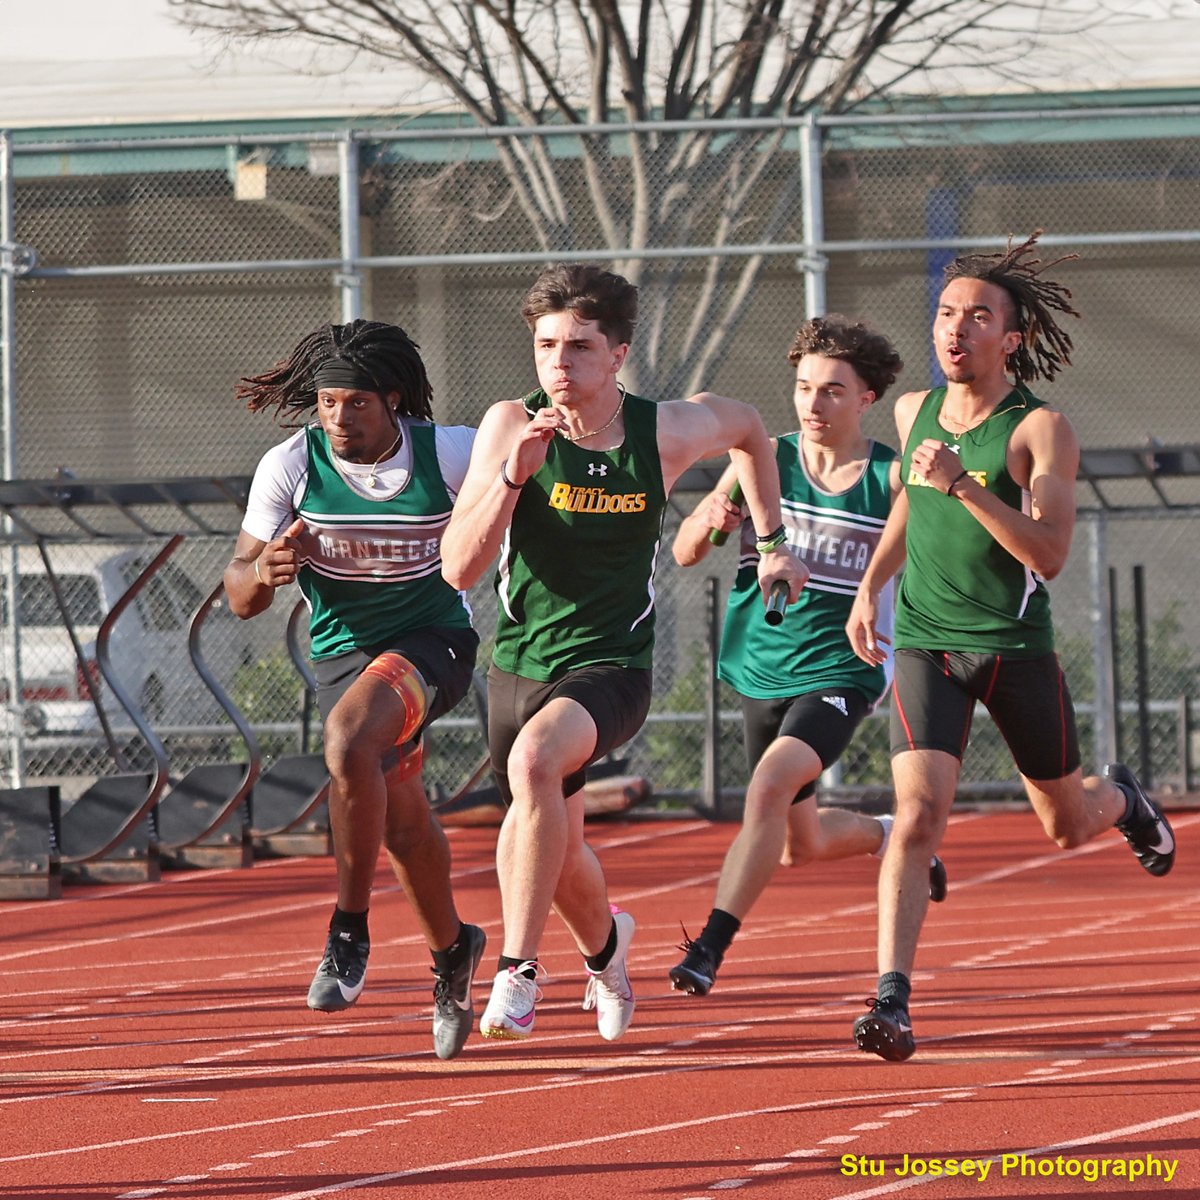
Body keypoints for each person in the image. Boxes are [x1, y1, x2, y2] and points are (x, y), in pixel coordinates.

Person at [440, 262, 806, 1043]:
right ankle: (608, 954)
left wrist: (770, 540)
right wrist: (513, 478)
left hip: (611, 666)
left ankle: (517, 972)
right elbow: (458, 568)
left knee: (537, 764)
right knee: (558, 847)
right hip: (518, 664)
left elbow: (749, 429)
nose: (558, 365)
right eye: (544, 347)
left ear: (617, 355)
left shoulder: (663, 431)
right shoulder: (510, 425)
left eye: (577, 348)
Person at [844, 233, 1176, 1062]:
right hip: (926, 644)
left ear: (1012, 338)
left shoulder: (1041, 431)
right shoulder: (911, 409)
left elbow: (1049, 555)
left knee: (1067, 825)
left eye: (977, 317)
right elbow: (909, 510)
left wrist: (966, 482)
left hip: (1012, 649)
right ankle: (892, 998)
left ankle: (1124, 802)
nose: (955, 329)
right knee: (919, 815)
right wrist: (868, 587)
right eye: (946, 314)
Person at [224, 319, 487, 1061]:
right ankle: (454, 951)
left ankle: (348, 931)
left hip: (433, 643)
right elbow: (239, 592)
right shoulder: (291, 464)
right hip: (344, 656)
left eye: (356, 404)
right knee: (402, 824)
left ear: (393, 401)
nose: (339, 419)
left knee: (345, 739)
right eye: (328, 403)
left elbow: (531, 468)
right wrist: (268, 568)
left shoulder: (450, 451)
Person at [667, 315, 948, 998]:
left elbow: (925, 550)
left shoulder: (887, 478)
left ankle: (708, 946)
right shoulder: (765, 460)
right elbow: (684, 554)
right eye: (803, 388)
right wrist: (710, 524)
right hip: (760, 664)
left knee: (766, 786)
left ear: (865, 399)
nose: (813, 405)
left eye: (831, 391)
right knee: (798, 843)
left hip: (844, 668)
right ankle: (887, 833)